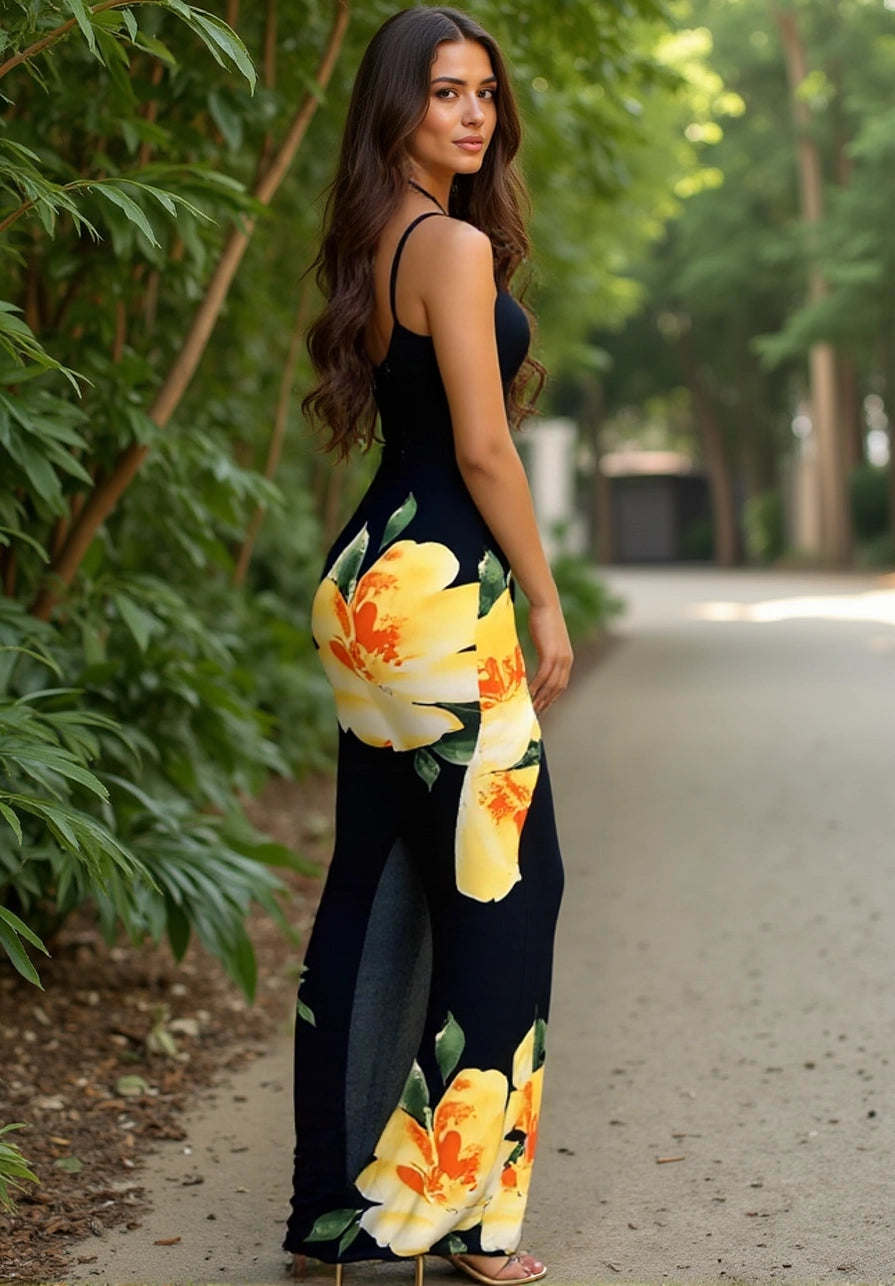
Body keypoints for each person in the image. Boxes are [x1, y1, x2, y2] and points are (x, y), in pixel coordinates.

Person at [284, 7, 571, 1284]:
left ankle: (328, 1210)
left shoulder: (378, 235)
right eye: (446, 92)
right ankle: (456, 1214)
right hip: (446, 598)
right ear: (396, 106)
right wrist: (547, 597)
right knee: (509, 888)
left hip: (370, 591)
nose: (472, 115)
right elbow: (481, 447)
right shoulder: (450, 245)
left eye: (485, 96)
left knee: (376, 882)